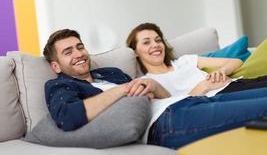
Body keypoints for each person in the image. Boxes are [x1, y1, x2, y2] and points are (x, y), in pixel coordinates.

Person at [126, 22, 267, 148]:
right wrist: (204, 86)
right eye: (146, 42)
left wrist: (221, 71)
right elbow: (178, 106)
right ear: (135, 52)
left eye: (158, 40)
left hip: (239, 83)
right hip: (220, 98)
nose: (155, 45)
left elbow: (236, 61)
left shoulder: (185, 61)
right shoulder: (148, 83)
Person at [43, 29, 170, 131]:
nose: (79, 54)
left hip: (174, 105)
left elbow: (166, 97)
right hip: (160, 122)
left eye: (80, 47)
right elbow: (67, 117)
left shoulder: (112, 72)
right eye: (68, 53)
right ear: (56, 66)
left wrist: (153, 85)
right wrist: (123, 89)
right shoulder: (59, 85)